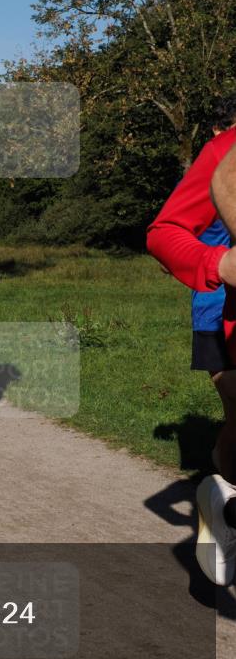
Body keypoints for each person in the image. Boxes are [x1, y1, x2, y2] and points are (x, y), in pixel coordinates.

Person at [147, 103, 236, 587]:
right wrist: (218, 265)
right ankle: (222, 498)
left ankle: (222, 493)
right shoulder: (224, 151)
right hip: (219, 310)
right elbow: (166, 233)